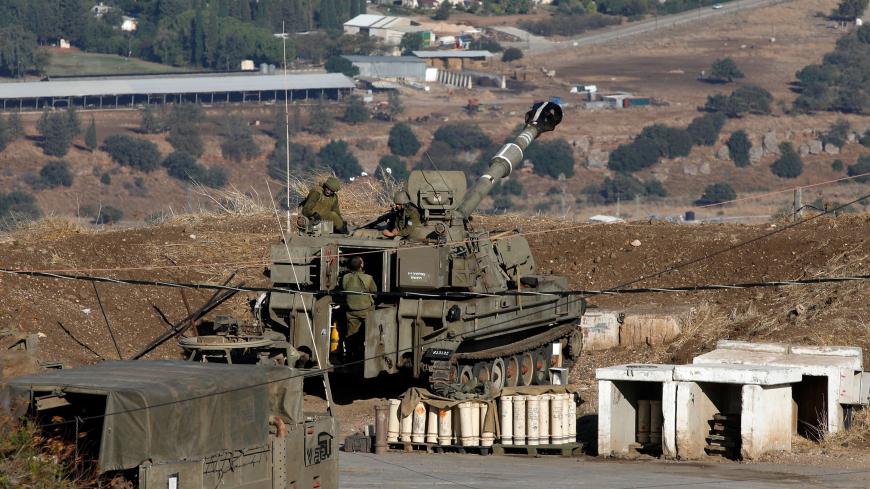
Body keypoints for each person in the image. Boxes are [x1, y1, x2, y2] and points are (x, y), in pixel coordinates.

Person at [341, 256, 377, 359]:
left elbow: (344, 289)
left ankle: (351, 356)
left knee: (351, 335)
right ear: (361, 265)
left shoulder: (345, 278)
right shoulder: (368, 278)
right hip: (367, 311)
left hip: (351, 311)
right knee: (370, 333)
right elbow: (375, 293)